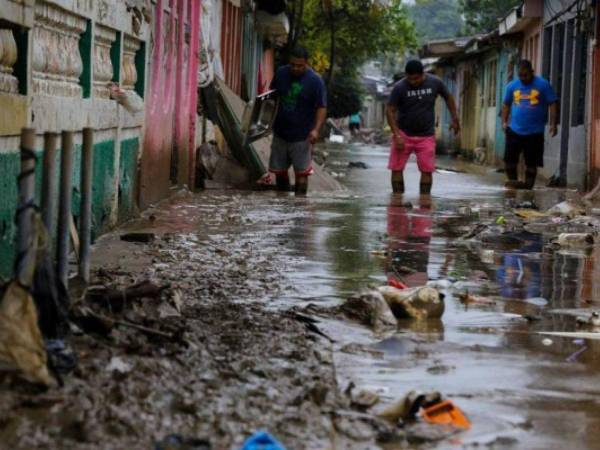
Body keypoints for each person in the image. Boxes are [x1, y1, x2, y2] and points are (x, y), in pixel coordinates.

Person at [386, 60, 460, 195]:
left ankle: (424, 201)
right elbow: (390, 110)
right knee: (396, 168)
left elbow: (448, 98)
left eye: (416, 79)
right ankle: (397, 200)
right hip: (404, 133)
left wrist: (455, 119)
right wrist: (396, 134)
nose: (413, 82)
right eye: (409, 78)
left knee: (427, 170)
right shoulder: (399, 87)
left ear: (423, 74)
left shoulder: (435, 82)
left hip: (426, 135)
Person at [269, 46, 327, 195]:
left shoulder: (315, 81)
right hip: (280, 132)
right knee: (279, 172)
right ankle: (283, 206)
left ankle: (300, 209)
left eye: (300, 66)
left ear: (306, 64)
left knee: (301, 175)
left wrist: (316, 130)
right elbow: (271, 97)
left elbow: (321, 107)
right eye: (293, 64)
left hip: (303, 135)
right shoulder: (281, 73)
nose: (295, 68)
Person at [501, 59, 558, 190]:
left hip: (534, 132)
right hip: (514, 130)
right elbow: (506, 104)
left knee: (531, 163)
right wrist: (504, 122)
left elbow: (553, 103)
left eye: (526, 75)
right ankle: (513, 184)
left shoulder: (543, 85)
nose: (523, 78)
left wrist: (553, 124)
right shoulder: (512, 86)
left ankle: (528, 188)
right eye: (520, 75)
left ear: (532, 72)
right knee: (509, 161)